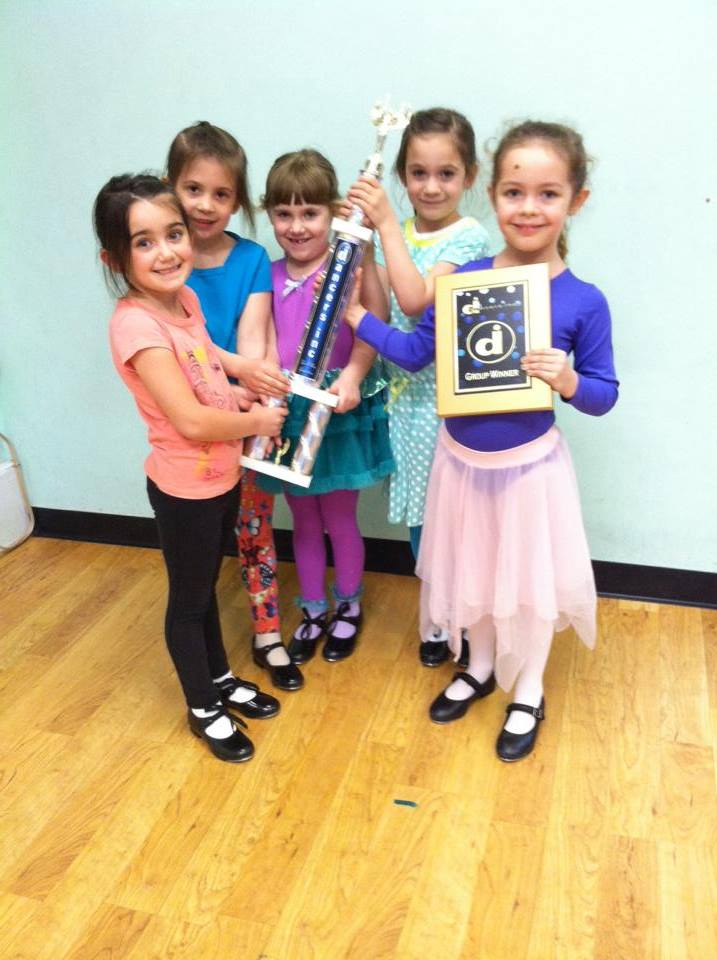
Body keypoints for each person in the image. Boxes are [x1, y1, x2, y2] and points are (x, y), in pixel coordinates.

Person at [345, 121, 619, 761]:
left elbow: (604, 393)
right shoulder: (465, 279)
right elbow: (416, 353)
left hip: (530, 470)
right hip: (460, 464)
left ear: (575, 200)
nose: (529, 208)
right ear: (492, 196)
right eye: (514, 192)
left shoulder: (583, 300)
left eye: (548, 194)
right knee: (474, 569)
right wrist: (358, 317)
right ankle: (480, 665)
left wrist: (568, 380)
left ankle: (529, 689)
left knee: (528, 582)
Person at [94, 173, 288, 762]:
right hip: (185, 489)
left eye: (173, 234)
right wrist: (258, 422)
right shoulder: (136, 326)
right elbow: (192, 421)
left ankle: (220, 679)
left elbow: (204, 353)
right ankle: (203, 706)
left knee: (203, 590)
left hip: (220, 477)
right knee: (189, 601)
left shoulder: (183, 300)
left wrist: (242, 372)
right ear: (115, 258)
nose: (166, 252)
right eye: (144, 242)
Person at [347, 107, 490, 667]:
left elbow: (416, 301)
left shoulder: (470, 238)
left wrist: (385, 225)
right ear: (402, 174)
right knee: (419, 521)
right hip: (402, 404)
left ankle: (466, 622)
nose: (431, 187)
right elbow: (383, 308)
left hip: (447, 408)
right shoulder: (397, 234)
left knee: (457, 522)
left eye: (446, 174)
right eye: (418, 173)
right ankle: (435, 614)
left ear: (469, 176)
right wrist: (362, 243)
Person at [166, 121, 303, 692]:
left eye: (221, 194)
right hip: (190, 428)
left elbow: (253, 342)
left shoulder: (250, 258)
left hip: (245, 417)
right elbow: (175, 348)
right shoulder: (164, 262)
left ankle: (267, 634)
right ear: (172, 187)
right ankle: (200, 651)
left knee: (253, 528)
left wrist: (250, 389)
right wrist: (234, 385)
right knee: (196, 545)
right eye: (193, 189)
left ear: (238, 201)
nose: (206, 205)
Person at [258, 149, 394, 664]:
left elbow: (376, 320)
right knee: (302, 518)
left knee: (339, 516)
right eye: (284, 213)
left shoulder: (350, 266)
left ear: (332, 214)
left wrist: (354, 375)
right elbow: (262, 337)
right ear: (269, 214)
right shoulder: (267, 273)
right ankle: (313, 609)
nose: (296, 226)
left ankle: (349, 606)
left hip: (336, 411)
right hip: (288, 410)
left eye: (310, 213)